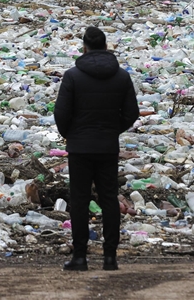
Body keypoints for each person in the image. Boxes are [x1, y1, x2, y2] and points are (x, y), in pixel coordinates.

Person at [54, 26, 139, 271]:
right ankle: (110, 258)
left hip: (80, 148)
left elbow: (61, 112)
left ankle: (80, 257)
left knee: (79, 201)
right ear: (106, 46)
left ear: (84, 47)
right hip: (107, 147)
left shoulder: (72, 76)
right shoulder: (121, 76)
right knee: (109, 199)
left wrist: (71, 135)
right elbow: (131, 113)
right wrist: (113, 130)